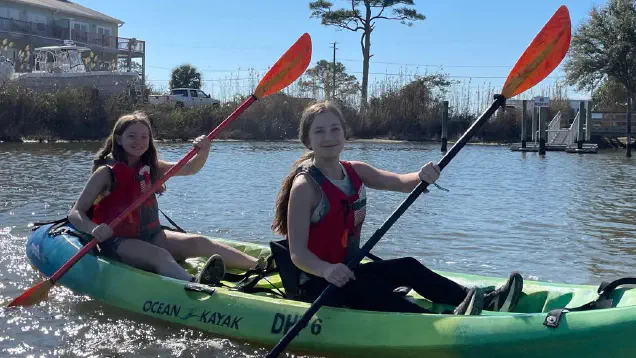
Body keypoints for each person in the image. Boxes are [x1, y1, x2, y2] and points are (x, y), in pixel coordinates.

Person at [271, 101, 523, 315]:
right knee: (373, 290)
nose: (329, 137)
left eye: (335, 129)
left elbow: (400, 182)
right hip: (317, 282)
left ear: (344, 135)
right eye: (320, 132)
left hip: (349, 270)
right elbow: (298, 255)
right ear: (307, 141)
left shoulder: (355, 170)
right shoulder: (305, 187)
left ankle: (484, 301)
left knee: (407, 266)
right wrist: (326, 269)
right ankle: (441, 322)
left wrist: (423, 175)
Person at [68, 111, 257, 285]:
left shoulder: (152, 167)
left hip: (152, 235)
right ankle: (195, 284)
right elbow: (75, 213)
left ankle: (259, 265)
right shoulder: (105, 173)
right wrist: (93, 229)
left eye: (144, 136)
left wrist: (204, 150)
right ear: (119, 139)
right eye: (131, 136)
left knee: (200, 242)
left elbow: (190, 168)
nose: (139, 142)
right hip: (118, 241)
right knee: (160, 256)